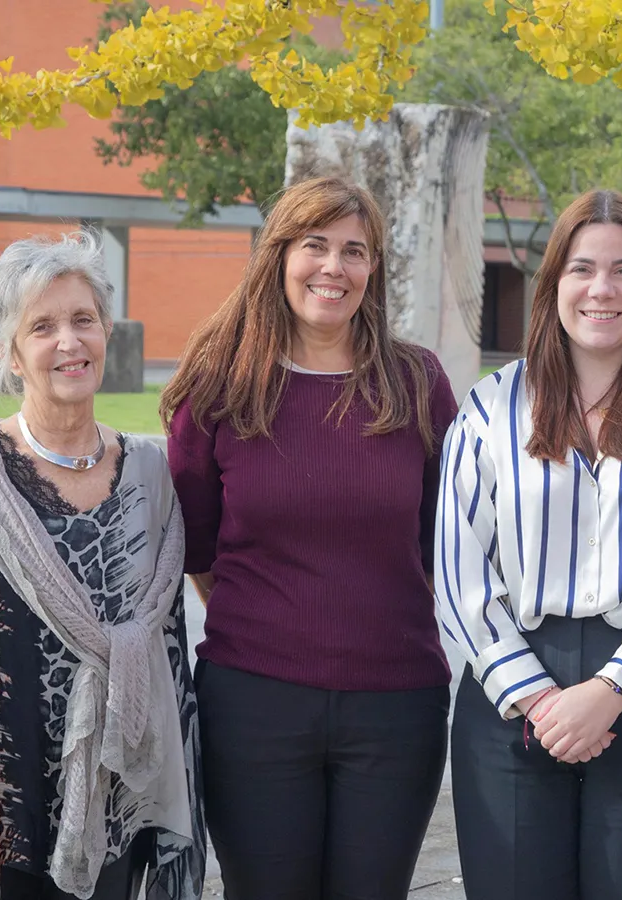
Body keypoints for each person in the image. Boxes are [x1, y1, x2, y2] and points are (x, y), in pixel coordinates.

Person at [0, 232, 203, 900]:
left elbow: (168, 656)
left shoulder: (152, 480)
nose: (68, 343)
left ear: (107, 331)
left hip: (121, 806)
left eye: (83, 320)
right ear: (9, 353)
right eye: (42, 327)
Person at [436, 189, 622, 900]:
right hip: (509, 695)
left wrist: (609, 692)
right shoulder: (491, 405)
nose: (601, 289)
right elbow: (460, 574)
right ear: (554, 285)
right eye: (582, 268)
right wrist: (540, 700)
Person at [163, 176, 459, 899]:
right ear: (278, 256)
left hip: (397, 706)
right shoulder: (220, 386)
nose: (334, 267)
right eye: (315, 245)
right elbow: (195, 547)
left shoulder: (416, 383)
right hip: (254, 705)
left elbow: (445, 545)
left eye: (354, 251)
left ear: (374, 270)